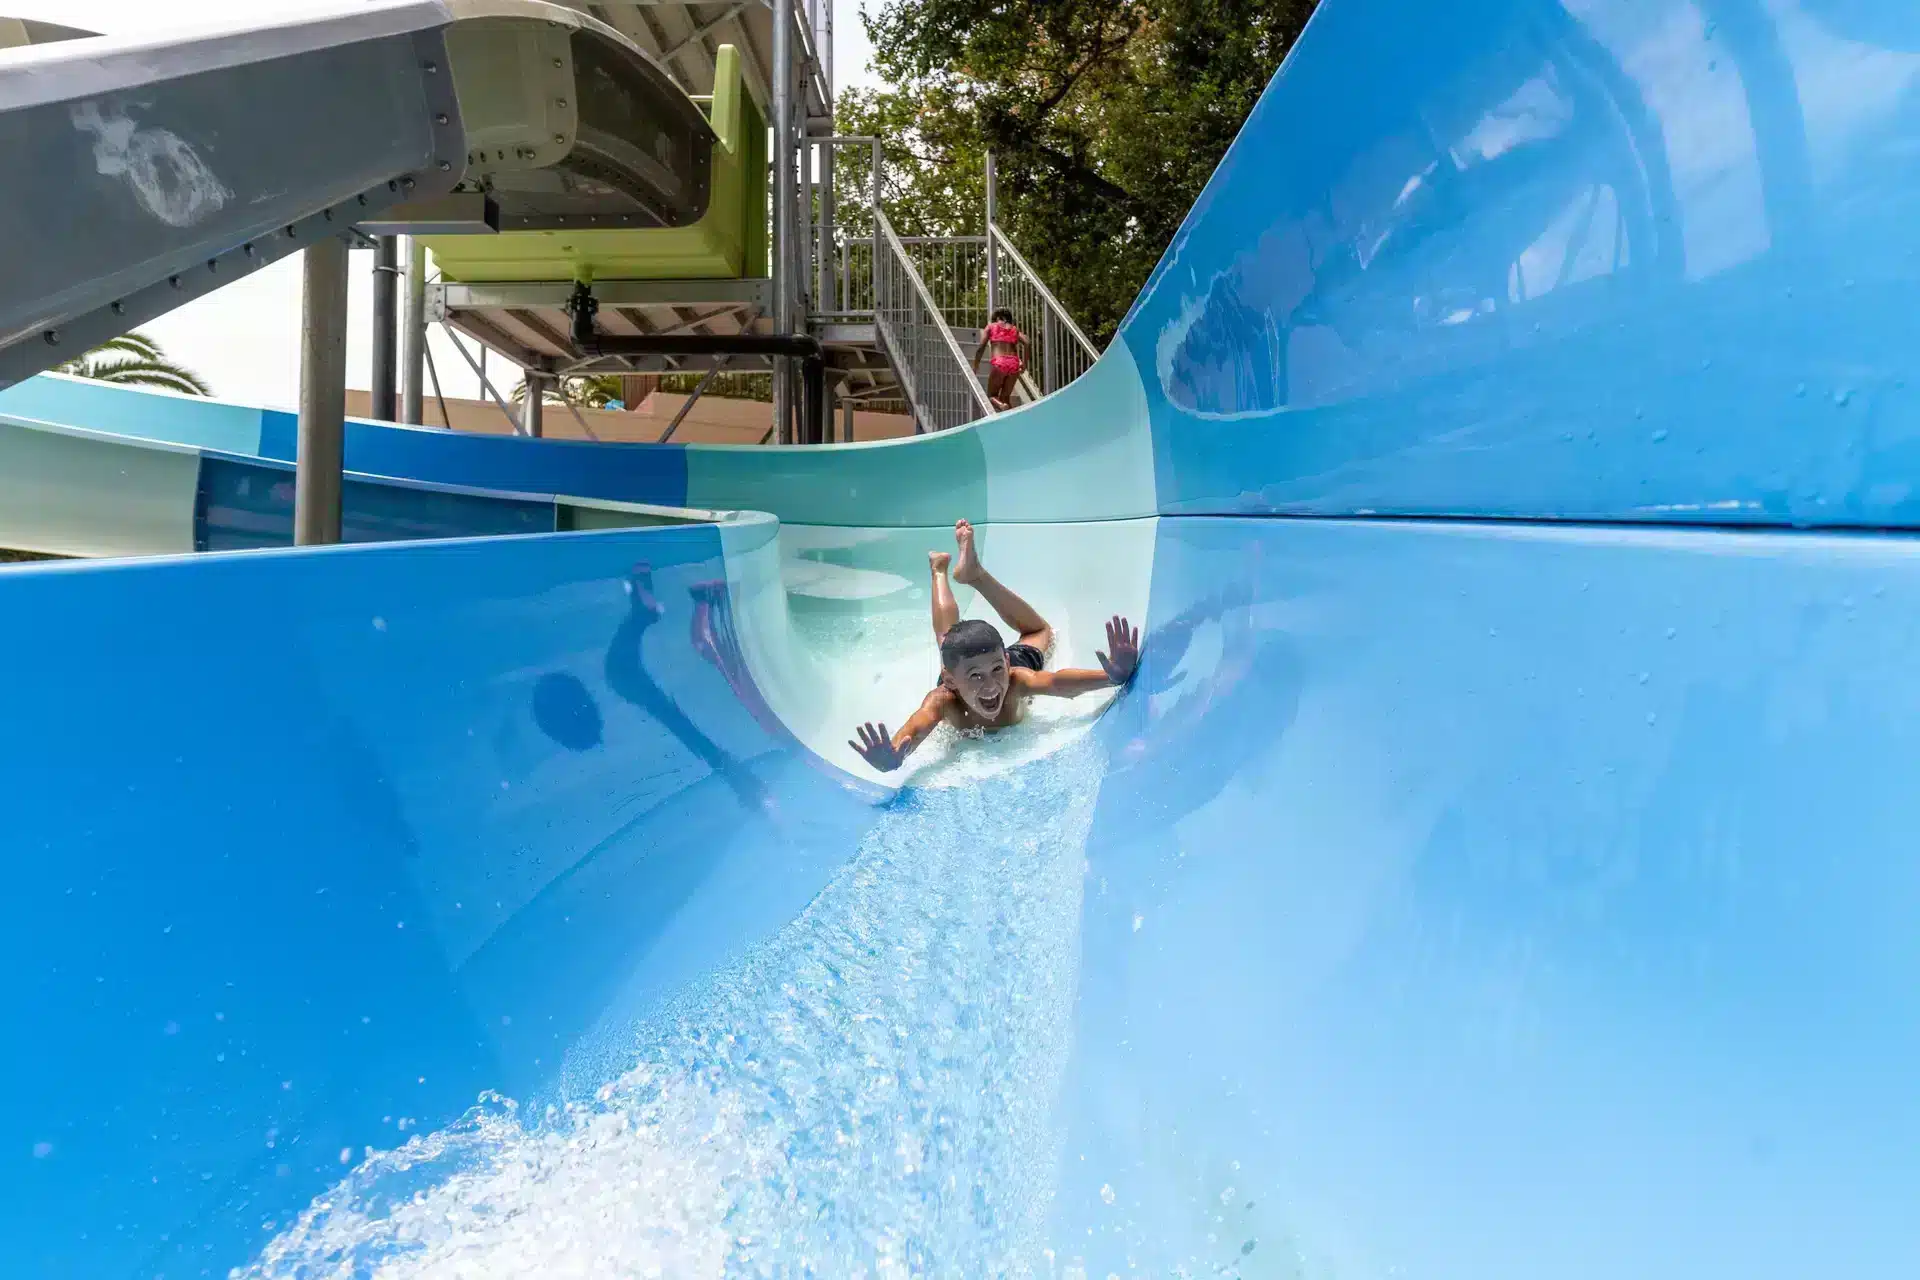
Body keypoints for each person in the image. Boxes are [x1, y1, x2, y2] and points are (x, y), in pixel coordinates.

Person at [849, 520, 1141, 773]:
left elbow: (1056, 682)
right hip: (964, 667)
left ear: (1006, 662)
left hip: (993, 660)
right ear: (949, 680)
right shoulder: (945, 699)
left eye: (996, 671)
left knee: (1041, 632)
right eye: (976, 677)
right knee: (946, 639)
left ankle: (975, 575)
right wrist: (895, 754)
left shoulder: (1014, 678)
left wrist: (1110, 677)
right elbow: (918, 725)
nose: (991, 686)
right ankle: (940, 570)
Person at [973, 308, 1030, 411]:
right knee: (1005, 398)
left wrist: (976, 365)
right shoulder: (1014, 329)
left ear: (997, 318)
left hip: (1000, 363)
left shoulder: (990, 327)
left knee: (991, 396)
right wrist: (1024, 364)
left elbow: (981, 348)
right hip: (1014, 364)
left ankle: (1001, 406)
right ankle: (1012, 422)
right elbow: (1027, 342)